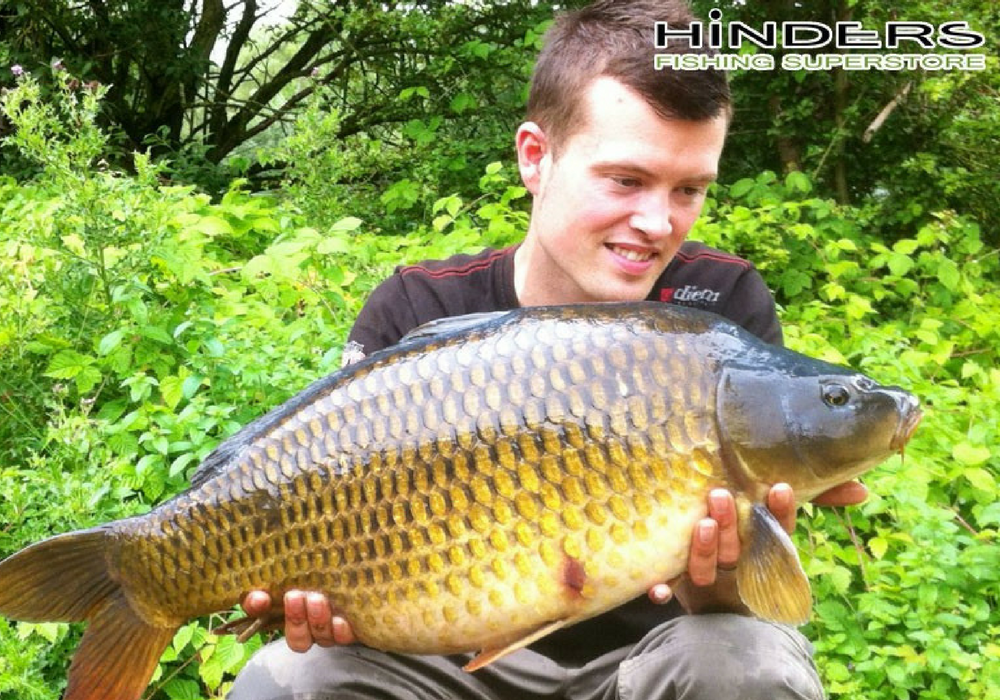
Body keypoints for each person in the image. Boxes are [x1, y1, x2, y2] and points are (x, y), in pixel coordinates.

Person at [228, 1, 865, 697]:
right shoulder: (419, 308)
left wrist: (721, 576)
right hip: (446, 665)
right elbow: (322, 517)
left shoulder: (721, 310)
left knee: (750, 663)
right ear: (537, 156)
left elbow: (734, 613)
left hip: (638, 666)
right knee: (297, 675)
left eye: (689, 189)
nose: (656, 222)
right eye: (625, 180)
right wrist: (314, 589)